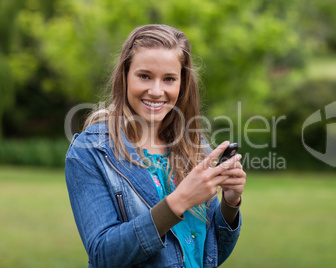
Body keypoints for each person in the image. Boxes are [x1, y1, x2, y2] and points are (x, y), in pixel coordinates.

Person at [65, 24, 246, 268]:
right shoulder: (91, 151)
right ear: (125, 76)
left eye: (169, 79)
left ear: (182, 84)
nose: (156, 91)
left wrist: (230, 202)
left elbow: (210, 254)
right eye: (144, 76)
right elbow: (103, 255)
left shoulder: (195, 147)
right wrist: (177, 202)